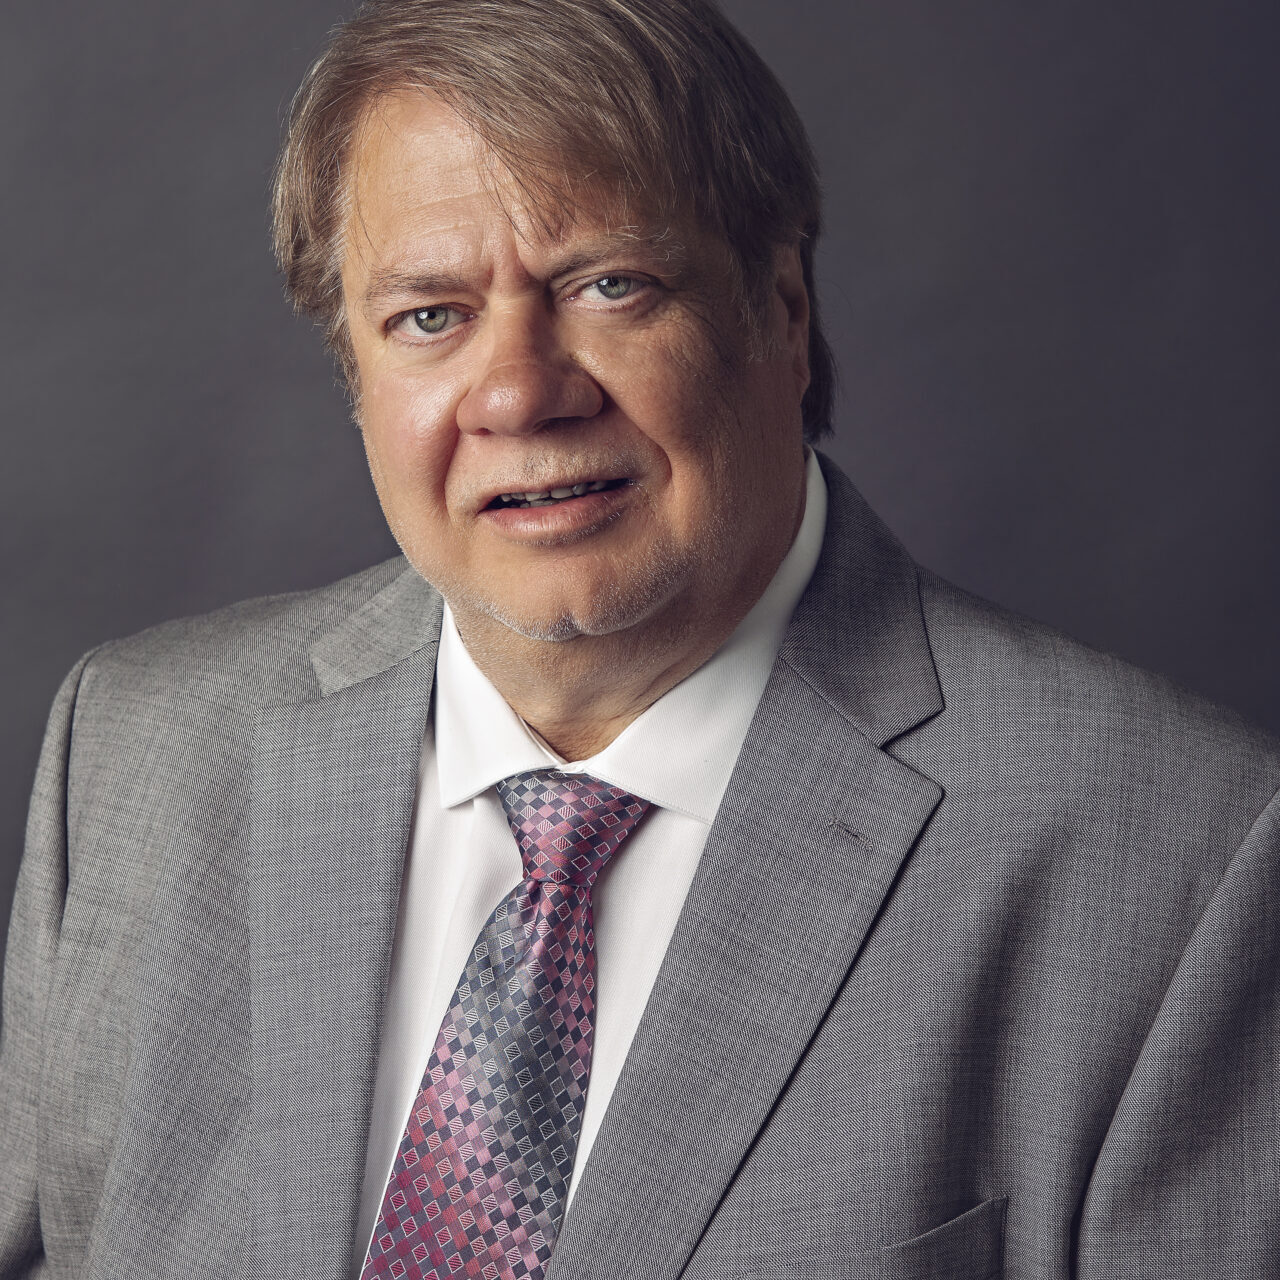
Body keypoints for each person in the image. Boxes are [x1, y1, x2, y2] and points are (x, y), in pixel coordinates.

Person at [2, 0, 1277, 1276]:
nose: (517, 390)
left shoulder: (1177, 855)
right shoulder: (135, 755)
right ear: (354, 369)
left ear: (778, 311)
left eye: (609, 285)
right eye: (429, 316)